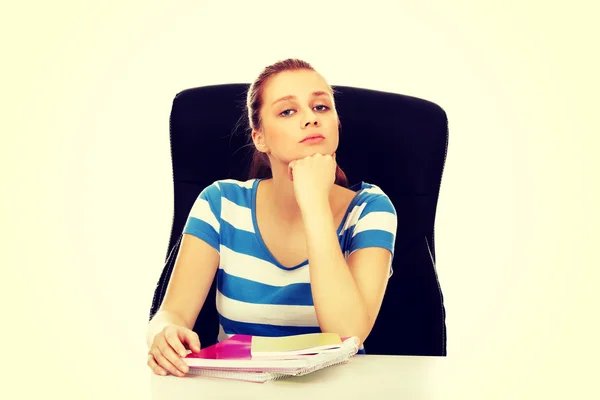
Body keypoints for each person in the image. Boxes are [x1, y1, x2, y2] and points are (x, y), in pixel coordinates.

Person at [146, 58, 398, 377]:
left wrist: (314, 203)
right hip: (239, 388)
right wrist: (163, 333)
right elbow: (172, 313)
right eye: (287, 111)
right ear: (259, 137)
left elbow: (348, 335)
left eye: (321, 107)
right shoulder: (219, 203)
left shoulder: (370, 209)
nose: (310, 119)